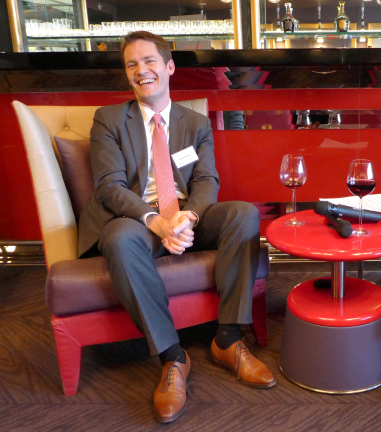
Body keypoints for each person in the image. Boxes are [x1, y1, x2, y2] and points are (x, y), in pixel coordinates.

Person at [77, 31, 275, 424]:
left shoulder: (196, 123)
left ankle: (228, 339)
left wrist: (188, 217)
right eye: (131, 64)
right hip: (138, 219)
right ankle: (172, 357)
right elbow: (110, 186)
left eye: (149, 61)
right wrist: (157, 220)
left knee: (243, 214)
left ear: (168, 67)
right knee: (116, 238)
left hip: (186, 215)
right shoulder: (110, 118)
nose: (140, 70)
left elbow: (206, 182)